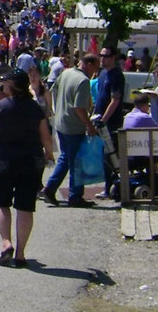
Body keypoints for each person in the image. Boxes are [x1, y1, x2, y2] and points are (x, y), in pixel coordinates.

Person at [0, 68, 56, 268]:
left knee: (2, 202)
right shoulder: (35, 108)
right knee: (25, 206)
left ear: (11, 85)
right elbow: (46, 137)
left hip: (3, 159)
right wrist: (49, 154)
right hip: (31, 159)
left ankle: (6, 242)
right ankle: (21, 253)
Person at [40, 53, 100, 207]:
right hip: (74, 126)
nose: (96, 71)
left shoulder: (66, 73)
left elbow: (53, 90)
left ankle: (50, 188)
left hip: (61, 122)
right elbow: (79, 107)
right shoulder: (83, 81)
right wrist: (89, 126)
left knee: (65, 158)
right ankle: (75, 196)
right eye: (96, 67)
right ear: (90, 64)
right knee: (77, 162)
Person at [93, 46, 125, 199]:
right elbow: (100, 96)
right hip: (99, 118)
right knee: (103, 156)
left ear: (113, 57)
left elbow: (115, 100)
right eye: (101, 55)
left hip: (111, 122)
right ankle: (108, 186)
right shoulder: (102, 73)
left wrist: (104, 121)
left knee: (110, 155)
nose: (103, 59)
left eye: (106, 56)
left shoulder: (117, 75)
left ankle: (112, 187)